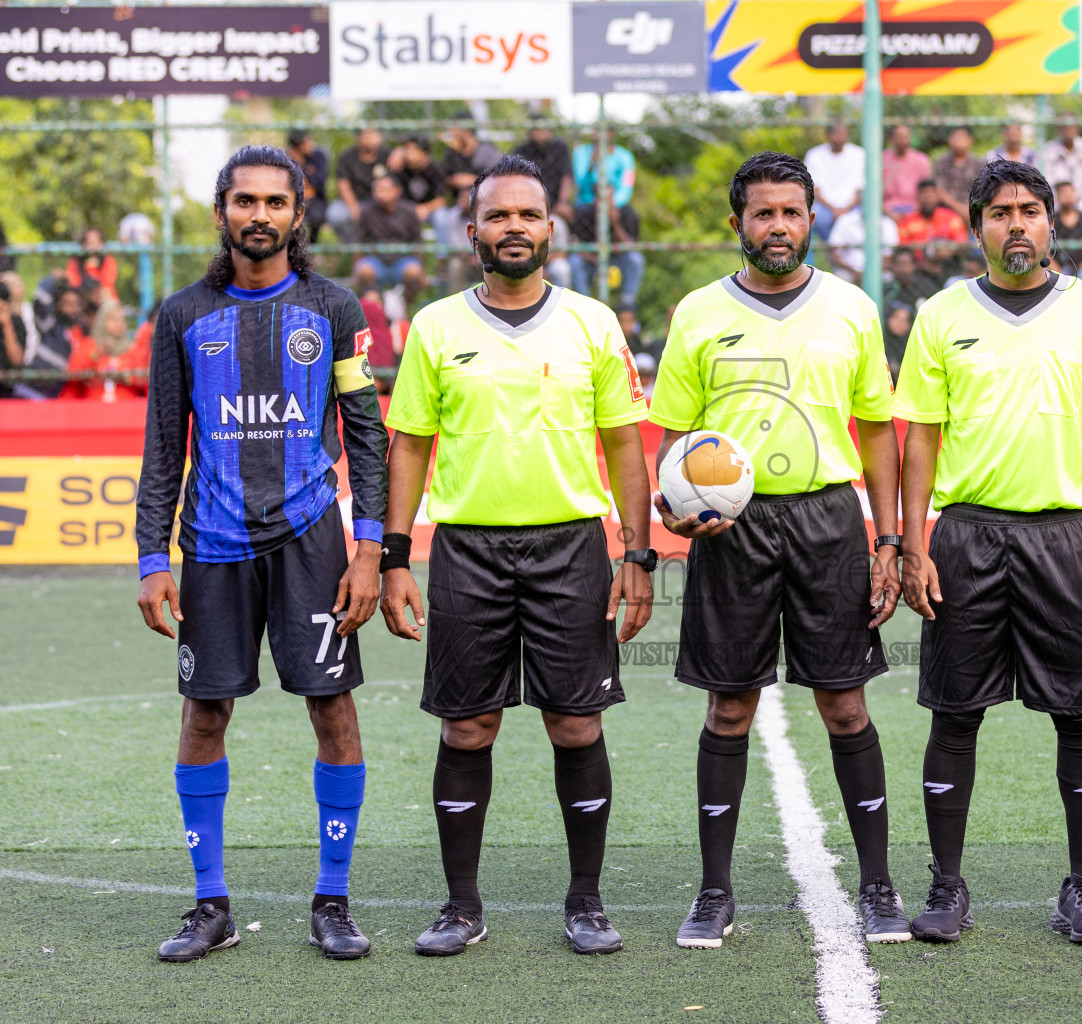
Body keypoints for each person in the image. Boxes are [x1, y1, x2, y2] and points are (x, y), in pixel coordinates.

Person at [379, 154, 654, 959]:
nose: (513, 228)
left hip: (571, 547)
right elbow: (409, 449)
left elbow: (625, 448)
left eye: (527, 215)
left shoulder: (594, 322)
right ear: (472, 233)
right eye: (497, 216)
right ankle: (461, 907)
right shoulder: (435, 326)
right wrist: (397, 556)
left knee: (575, 724)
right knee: (468, 728)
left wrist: (637, 553)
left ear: (551, 230)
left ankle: (587, 902)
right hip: (467, 549)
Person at [134, 145, 389, 963]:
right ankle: (210, 905)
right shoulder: (181, 315)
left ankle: (333, 899)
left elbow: (368, 438)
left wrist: (370, 550)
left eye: (275, 202)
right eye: (243, 201)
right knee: (204, 713)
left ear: (298, 211)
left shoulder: (336, 309)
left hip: (315, 541)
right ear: (220, 212)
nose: (259, 215)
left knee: (332, 709)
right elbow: (164, 444)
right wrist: (151, 557)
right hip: (212, 547)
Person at [647, 152, 908, 950]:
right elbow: (674, 442)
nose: (779, 227)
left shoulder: (853, 308)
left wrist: (889, 538)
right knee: (729, 706)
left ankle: (878, 887)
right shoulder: (696, 313)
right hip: (735, 531)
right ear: (738, 225)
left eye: (792, 212)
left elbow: (875, 433)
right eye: (763, 214)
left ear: (813, 218)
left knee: (845, 703)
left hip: (830, 522)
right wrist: (677, 508)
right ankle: (713, 893)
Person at [895, 160, 1082, 947]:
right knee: (955, 714)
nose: (1018, 224)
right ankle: (946, 885)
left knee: (1080, 717)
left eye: (1031, 211)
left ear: (1052, 222)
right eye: (1001, 212)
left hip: (1065, 540)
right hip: (966, 535)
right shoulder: (941, 315)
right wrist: (913, 544)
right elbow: (922, 440)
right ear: (976, 227)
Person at [570, 133, 644, 306]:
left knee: (636, 260)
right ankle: (585, 304)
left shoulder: (626, 213)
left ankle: (627, 305)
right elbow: (575, 246)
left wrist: (615, 222)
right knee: (574, 262)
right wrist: (596, 259)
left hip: (617, 259)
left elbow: (631, 246)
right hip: (591, 260)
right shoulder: (584, 213)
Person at [354, 174, 426, 302]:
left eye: (384, 189)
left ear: (397, 190)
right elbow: (359, 242)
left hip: (403, 260)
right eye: (376, 189)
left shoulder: (409, 211)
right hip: (376, 260)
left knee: (414, 272)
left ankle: (406, 308)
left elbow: (417, 242)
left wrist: (421, 270)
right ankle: (376, 307)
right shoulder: (366, 211)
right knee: (364, 270)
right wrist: (355, 268)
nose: (379, 193)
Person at [64, 297, 150, 400]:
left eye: (121, 319)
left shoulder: (133, 349)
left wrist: (127, 377)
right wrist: (97, 353)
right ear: (101, 321)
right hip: (92, 408)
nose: (118, 324)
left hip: (127, 408)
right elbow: (73, 374)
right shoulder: (89, 345)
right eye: (112, 319)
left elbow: (145, 379)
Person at [438, 116, 503, 242]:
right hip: (459, 205)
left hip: (485, 202)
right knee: (445, 218)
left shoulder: (487, 151)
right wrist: (454, 180)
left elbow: (498, 180)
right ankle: (450, 258)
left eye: (454, 129)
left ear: (465, 130)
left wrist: (473, 180)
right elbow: (443, 179)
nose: (451, 133)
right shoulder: (451, 153)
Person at [803, 122, 866, 243]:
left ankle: (845, 257)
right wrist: (834, 210)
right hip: (824, 207)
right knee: (816, 221)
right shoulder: (814, 155)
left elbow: (860, 190)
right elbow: (814, 190)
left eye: (843, 134)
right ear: (827, 136)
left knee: (856, 224)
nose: (840, 138)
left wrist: (846, 209)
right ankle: (830, 253)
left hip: (853, 206)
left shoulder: (859, 154)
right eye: (836, 134)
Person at [897, 180, 971, 277]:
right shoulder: (907, 221)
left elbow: (963, 243)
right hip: (918, 270)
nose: (929, 199)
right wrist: (920, 264)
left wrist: (949, 251)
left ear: (938, 197)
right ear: (917, 197)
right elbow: (903, 248)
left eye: (932, 195)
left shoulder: (950, 217)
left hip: (946, 267)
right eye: (925, 195)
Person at [330, 129, 392, 243]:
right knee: (336, 215)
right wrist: (353, 207)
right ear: (359, 138)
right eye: (368, 136)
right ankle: (353, 246)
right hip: (352, 201)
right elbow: (343, 184)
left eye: (375, 135)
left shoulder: (387, 155)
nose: (372, 140)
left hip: (378, 202)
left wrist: (400, 152)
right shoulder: (347, 157)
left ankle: (381, 248)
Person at [515, 117, 576, 223]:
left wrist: (563, 201)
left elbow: (566, 176)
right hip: (528, 203)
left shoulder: (559, 148)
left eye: (543, 129)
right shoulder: (523, 150)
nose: (541, 133)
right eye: (537, 130)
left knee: (559, 224)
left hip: (555, 205)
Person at [1043, 117, 1082, 214]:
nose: (1068, 131)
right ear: (1059, 129)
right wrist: (1058, 204)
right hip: (1056, 206)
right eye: (1064, 127)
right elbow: (1046, 182)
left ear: (1077, 128)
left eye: (1071, 127)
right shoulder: (1048, 150)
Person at [827, 205, 899, 284]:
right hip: (849, 270)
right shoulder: (845, 220)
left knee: (887, 278)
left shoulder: (888, 224)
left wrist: (868, 274)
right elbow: (834, 253)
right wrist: (854, 271)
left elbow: (887, 259)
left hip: (877, 271)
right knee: (842, 277)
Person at [390, 135, 449, 225]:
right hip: (407, 209)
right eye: (407, 150)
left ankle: (443, 240)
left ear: (424, 152)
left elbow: (441, 200)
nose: (409, 155)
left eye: (414, 150)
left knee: (441, 216)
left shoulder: (436, 170)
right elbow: (396, 198)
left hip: (429, 210)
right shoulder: (400, 168)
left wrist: (424, 209)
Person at [286, 130, 329, 244]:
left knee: (316, 217)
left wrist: (302, 165)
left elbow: (319, 182)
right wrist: (295, 163)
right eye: (304, 143)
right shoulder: (286, 159)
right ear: (297, 147)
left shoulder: (318, 156)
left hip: (315, 199)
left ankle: (312, 247)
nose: (310, 144)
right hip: (294, 199)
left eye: (309, 140)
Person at [932, 126, 985, 218]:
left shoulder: (979, 164)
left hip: (972, 210)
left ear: (970, 140)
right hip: (946, 210)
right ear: (949, 140)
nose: (958, 141)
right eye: (955, 137)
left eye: (962, 138)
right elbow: (940, 191)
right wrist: (960, 210)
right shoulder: (941, 163)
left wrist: (969, 211)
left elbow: (982, 192)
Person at [1052, 180, 1082, 284]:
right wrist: (1057, 270)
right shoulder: (1051, 220)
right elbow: (1045, 252)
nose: (1068, 196)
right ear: (1057, 197)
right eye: (1064, 193)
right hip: (1058, 268)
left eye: (1071, 192)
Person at [883, 124, 933, 218]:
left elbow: (927, 192)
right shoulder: (881, 160)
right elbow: (875, 194)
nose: (903, 140)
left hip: (915, 209)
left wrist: (914, 213)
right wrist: (890, 214)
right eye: (899, 137)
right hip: (888, 210)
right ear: (891, 139)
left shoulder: (922, 160)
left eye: (906, 136)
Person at [66, 228, 118, 304]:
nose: (93, 246)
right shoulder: (75, 260)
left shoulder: (108, 259)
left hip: (103, 296)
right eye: (89, 242)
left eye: (96, 242)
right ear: (83, 244)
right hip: (82, 296)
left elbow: (107, 282)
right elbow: (74, 282)